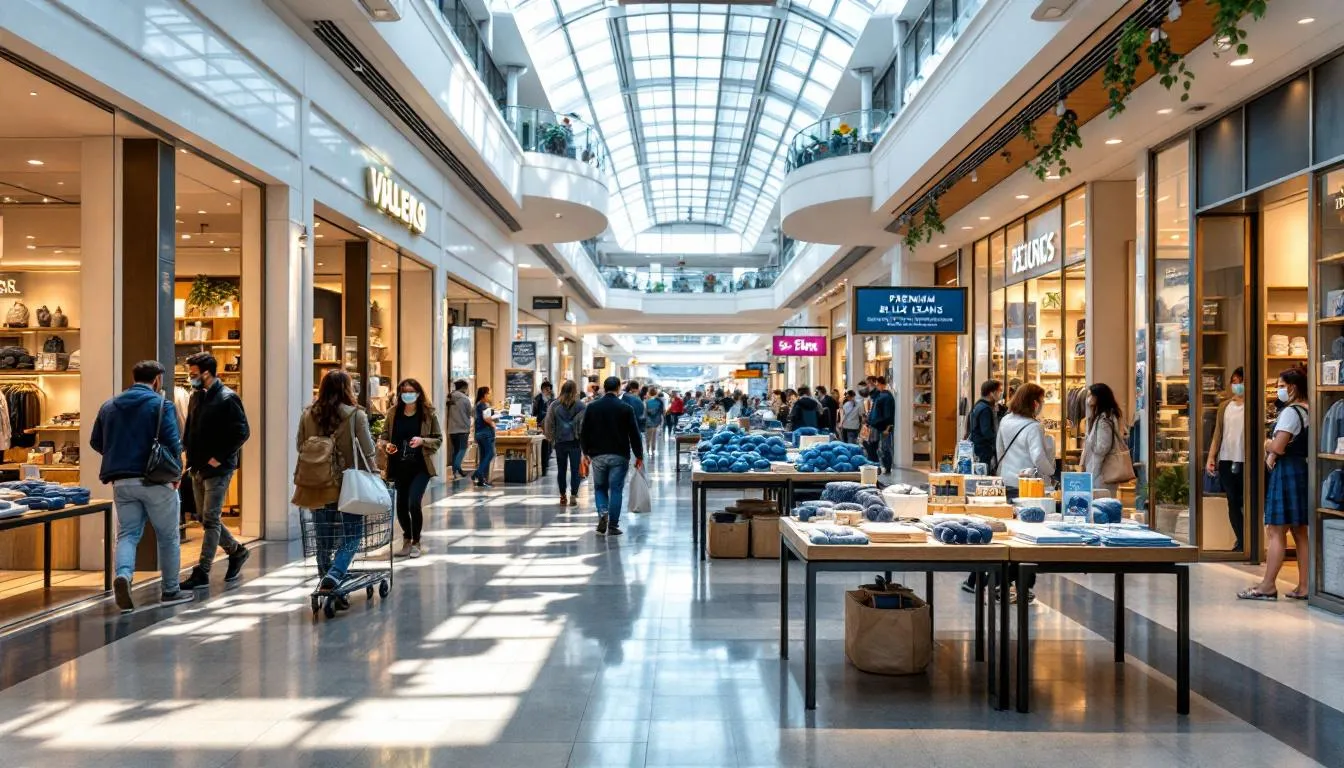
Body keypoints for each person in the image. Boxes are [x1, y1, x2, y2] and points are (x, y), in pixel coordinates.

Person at [91, 360, 193, 613]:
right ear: (157, 380)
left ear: (133, 377)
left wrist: (121, 455)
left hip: (122, 481)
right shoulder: (160, 405)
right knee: (168, 537)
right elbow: (173, 442)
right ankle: (170, 590)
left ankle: (124, 576)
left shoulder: (109, 406)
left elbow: (97, 442)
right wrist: (176, 473)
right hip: (156, 480)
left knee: (127, 534)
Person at [294, 370, 377, 595]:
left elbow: (300, 445)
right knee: (352, 534)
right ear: (347, 389)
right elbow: (369, 450)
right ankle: (335, 574)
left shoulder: (307, 414)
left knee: (324, 538)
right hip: (348, 485)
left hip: (316, 484)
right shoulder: (355, 416)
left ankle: (326, 583)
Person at [179, 353, 250, 590]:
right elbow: (190, 428)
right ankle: (236, 551)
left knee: (210, 519)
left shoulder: (228, 398)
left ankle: (203, 570)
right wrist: (187, 455)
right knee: (203, 517)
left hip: (218, 469)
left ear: (207, 373)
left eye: (193, 374)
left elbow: (242, 432)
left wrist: (218, 458)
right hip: (196, 466)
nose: (191, 378)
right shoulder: (196, 396)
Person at [1240, 367, 1310, 601]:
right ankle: (1305, 585)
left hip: (1287, 471)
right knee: (1300, 531)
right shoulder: (1310, 409)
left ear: (1292, 386)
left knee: (1276, 529)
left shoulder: (1290, 413)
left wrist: (1267, 445)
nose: (1278, 390)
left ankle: (1267, 585)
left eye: (1281, 385)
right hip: (1301, 469)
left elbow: (1278, 446)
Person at [996, 383, 1054, 603]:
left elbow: (999, 451)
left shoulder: (1005, 421)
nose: (1042, 405)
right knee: (1028, 540)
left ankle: (1003, 583)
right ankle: (1024, 586)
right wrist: (1052, 470)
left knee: (1009, 536)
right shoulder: (1033, 427)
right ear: (1034, 402)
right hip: (1029, 486)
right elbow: (1038, 456)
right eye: (1042, 400)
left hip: (1007, 483)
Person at [380, 378, 441, 559]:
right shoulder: (393, 413)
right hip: (398, 465)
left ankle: (416, 541)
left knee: (414, 502)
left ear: (418, 393)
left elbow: (438, 439)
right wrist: (385, 445)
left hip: (420, 466)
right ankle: (406, 538)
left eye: (411, 391)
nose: (407, 394)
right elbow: (383, 436)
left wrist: (423, 441)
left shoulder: (428, 414)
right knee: (401, 505)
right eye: (404, 391)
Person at [581, 376, 645, 536]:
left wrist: (585, 452)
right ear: (618, 389)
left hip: (598, 455)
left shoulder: (592, 407)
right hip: (619, 455)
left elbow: (584, 431)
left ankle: (603, 512)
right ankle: (613, 525)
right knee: (616, 489)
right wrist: (639, 455)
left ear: (604, 387)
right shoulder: (625, 408)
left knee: (600, 488)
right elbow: (634, 434)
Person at [1206, 367, 1246, 553]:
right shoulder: (1224, 406)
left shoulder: (1254, 406)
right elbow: (1217, 434)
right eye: (1234, 381)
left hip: (1247, 460)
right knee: (1232, 501)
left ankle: (1250, 540)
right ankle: (1242, 540)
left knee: (1248, 500)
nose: (1237, 386)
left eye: (1241, 381)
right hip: (1227, 459)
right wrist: (1211, 457)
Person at [543, 380, 587, 506]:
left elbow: (549, 422)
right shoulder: (581, 406)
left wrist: (551, 438)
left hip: (560, 442)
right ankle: (573, 494)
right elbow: (585, 425)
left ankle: (562, 496)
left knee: (561, 470)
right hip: (575, 442)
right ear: (575, 390)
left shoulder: (554, 405)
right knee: (575, 470)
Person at [1081, 383, 1126, 497]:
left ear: (1099, 397)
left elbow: (1102, 447)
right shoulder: (1108, 416)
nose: (1088, 398)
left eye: (1091, 395)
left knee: (1101, 505)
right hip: (1101, 471)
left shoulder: (1103, 420)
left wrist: (1089, 443)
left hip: (1101, 472)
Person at [967, 380, 1003, 470]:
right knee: (983, 473)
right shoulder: (985, 409)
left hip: (978, 446)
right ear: (992, 393)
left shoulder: (979, 405)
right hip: (983, 448)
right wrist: (997, 442)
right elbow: (986, 431)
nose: (1001, 393)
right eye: (999, 391)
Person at [867, 376, 896, 473]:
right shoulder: (879, 396)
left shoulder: (886, 397)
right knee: (874, 447)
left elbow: (889, 414)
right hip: (876, 426)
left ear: (880, 384)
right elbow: (872, 395)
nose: (876, 386)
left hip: (883, 427)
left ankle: (887, 467)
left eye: (877, 384)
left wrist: (888, 428)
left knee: (885, 448)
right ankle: (878, 466)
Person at [447, 379, 473, 480]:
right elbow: (470, 413)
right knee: (462, 449)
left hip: (452, 429)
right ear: (464, 388)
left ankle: (456, 472)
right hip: (462, 428)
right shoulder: (465, 399)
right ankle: (457, 467)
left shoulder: (450, 398)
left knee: (456, 450)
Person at [472, 386, 496, 488]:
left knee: (483, 457)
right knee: (490, 453)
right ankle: (477, 473)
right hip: (485, 434)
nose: (490, 395)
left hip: (479, 434)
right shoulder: (483, 405)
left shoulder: (477, 405)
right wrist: (493, 423)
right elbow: (486, 418)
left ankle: (481, 481)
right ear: (484, 394)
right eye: (488, 393)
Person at [533, 381, 554, 476]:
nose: (549, 391)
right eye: (547, 389)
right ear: (542, 389)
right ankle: (543, 467)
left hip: (549, 427)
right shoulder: (537, 399)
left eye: (550, 390)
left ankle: (545, 465)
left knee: (548, 447)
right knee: (543, 446)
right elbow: (534, 413)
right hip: (540, 426)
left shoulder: (552, 400)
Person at [644, 386, 665, 452]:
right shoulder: (660, 401)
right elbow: (663, 412)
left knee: (648, 437)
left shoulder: (646, 402)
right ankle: (653, 449)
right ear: (656, 393)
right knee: (654, 437)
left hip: (648, 422)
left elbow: (645, 413)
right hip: (657, 421)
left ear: (649, 393)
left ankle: (647, 449)